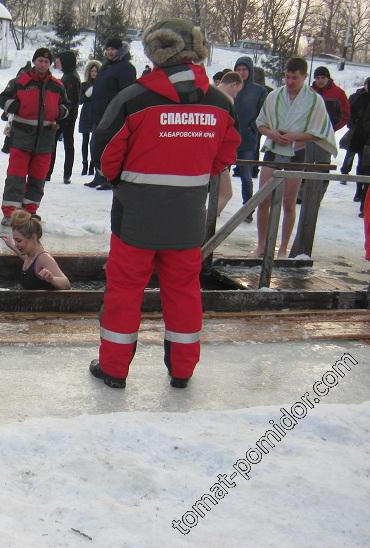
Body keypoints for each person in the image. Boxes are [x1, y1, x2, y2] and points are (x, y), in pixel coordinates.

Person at [88, 18, 240, 389]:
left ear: (156, 53)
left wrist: (122, 180)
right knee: (184, 291)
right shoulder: (220, 103)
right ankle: (183, 370)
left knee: (125, 291)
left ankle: (114, 369)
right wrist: (197, 173)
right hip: (188, 218)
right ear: (197, 51)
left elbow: (105, 149)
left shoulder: (134, 98)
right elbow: (228, 152)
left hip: (135, 217)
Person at [252, 57, 337, 258]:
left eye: (295, 78)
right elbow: (261, 123)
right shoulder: (275, 95)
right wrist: (272, 133)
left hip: (297, 151)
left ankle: (282, 249)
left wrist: (293, 136)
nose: (290, 82)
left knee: (288, 203)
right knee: (263, 200)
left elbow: (320, 131)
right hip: (273, 149)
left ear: (304, 77)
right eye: (287, 77)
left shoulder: (314, 100)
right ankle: (261, 245)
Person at [0, 47, 68, 224]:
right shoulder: (21, 81)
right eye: (40, 61)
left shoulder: (57, 85)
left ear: (50, 64)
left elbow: (67, 106)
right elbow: (3, 99)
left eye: (46, 61)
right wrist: (15, 107)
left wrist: (59, 111)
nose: (43, 64)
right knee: (16, 175)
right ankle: (11, 212)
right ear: (34, 61)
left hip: (45, 140)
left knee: (38, 177)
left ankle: (29, 211)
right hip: (22, 137)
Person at [85, 37, 137, 190]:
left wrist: (120, 112)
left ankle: (111, 178)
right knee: (95, 146)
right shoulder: (105, 67)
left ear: (120, 50)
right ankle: (99, 175)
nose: (109, 52)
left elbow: (126, 93)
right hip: (99, 115)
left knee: (110, 149)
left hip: (114, 116)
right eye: (107, 49)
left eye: (113, 49)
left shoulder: (126, 68)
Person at [232, 56, 268, 222]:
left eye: (244, 69)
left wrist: (252, 127)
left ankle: (248, 209)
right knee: (218, 174)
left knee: (246, 176)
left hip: (247, 140)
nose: (241, 73)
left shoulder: (259, 91)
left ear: (250, 71)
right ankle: (214, 206)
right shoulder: (230, 87)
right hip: (228, 139)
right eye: (238, 70)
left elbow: (263, 114)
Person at [0, 209, 71, 290]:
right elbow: (28, 260)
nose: (16, 244)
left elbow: (66, 284)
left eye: (19, 240)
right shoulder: (30, 256)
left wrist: (52, 279)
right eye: (15, 240)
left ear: (33, 237)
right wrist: (12, 246)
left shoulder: (43, 258)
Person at [46, 50, 80, 184]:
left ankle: (49, 173)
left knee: (55, 144)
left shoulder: (69, 78)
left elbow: (68, 100)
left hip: (65, 117)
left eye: (59, 60)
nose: (56, 63)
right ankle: (65, 174)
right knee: (68, 144)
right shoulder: (70, 76)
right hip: (69, 116)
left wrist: (61, 117)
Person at [215, 71, 244, 215]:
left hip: (204, 153)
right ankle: (202, 227)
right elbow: (230, 132)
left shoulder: (208, 94)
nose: (236, 96)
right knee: (226, 193)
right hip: (216, 156)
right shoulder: (225, 101)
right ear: (234, 85)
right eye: (237, 91)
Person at [341, 78, 369, 177]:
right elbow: (347, 111)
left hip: (366, 134)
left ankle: (360, 176)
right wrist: (352, 124)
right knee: (350, 154)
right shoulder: (356, 96)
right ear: (365, 85)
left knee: (364, 159)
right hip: (356, 131)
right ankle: (344, 172)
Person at [79, 60, 101, 176]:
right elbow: (80, 101)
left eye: (96, 71)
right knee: (84, 141)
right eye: (92, 71)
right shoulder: (84, 85)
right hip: (86, 114)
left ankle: (93, 165)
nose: (94, 73)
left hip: (96, 114)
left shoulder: (101, 85)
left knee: (94, 142)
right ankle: (84, 165)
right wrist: (86, 94)